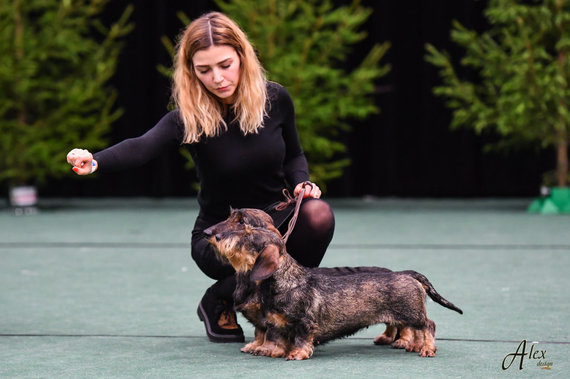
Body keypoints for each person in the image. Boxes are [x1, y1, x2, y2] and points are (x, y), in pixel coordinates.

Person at [66, 11, 335, 343]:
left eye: (225, 65)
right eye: (204, 70)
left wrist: (300, 182)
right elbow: (141, 147)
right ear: (191, 71)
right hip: (221, 237)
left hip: (276, 222)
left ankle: (280, 308)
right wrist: (94, 162)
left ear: (242, 57)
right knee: (261, 253)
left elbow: (294, 153)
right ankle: (220, 297)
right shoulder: (189, 118)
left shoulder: (275, 99)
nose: (218, 78)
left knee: (318, 215)